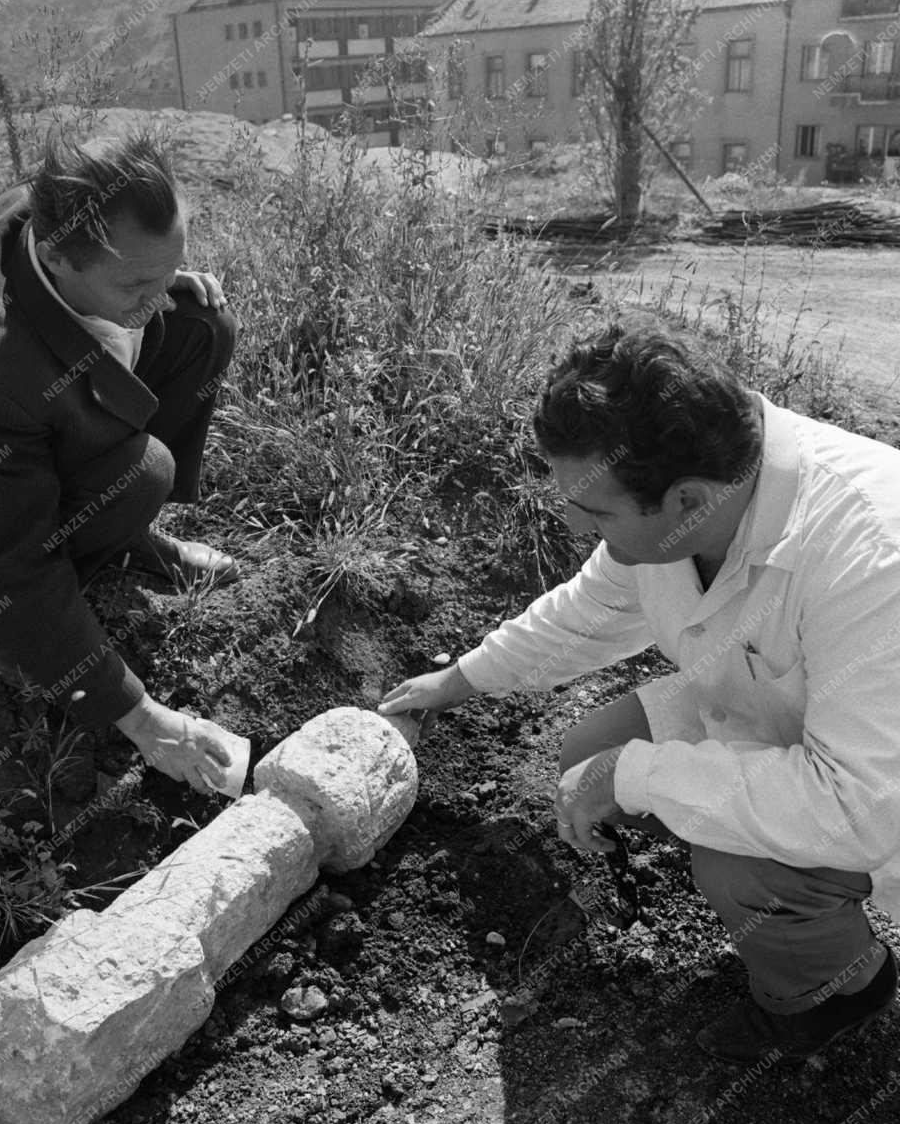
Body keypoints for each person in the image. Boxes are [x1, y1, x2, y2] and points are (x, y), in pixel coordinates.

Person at [379, 316, 900, 1065]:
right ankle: (787, 910)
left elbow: (857, 810)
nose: (571, 519)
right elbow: (585, 614)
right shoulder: (702, 499)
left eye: (594, 509)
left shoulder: (871, 552)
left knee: (735, 862)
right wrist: (454, 682)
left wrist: (640, 774)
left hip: (874, 797)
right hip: (795, 724)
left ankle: (839, 991)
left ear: (687, 502)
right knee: (589, 752)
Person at [0, 127, 243, 795]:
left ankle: (121, 536)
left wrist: (158, 283)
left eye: (164, 269)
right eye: (135, 283)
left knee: (200, 322)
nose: (153, 299)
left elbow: (149, 291)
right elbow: (7, 561)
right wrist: (139, 714)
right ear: (61, 257)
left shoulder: (47, 211)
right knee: (142, 471)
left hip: (24, 425)